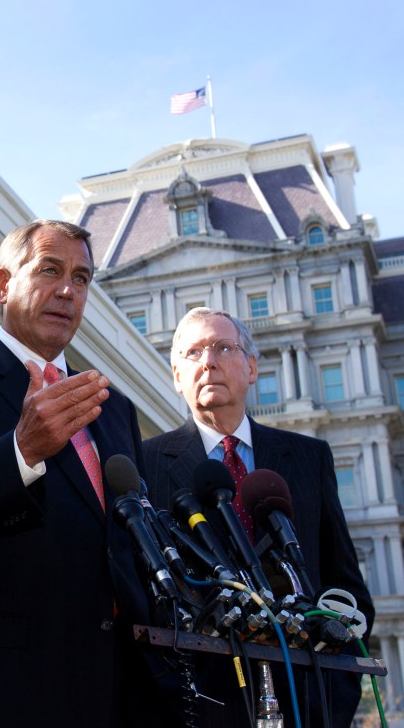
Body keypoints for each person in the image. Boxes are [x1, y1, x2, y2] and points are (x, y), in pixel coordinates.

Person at [0, 219, 167, 728]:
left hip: (111, 691)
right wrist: (20, 452)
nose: (68, 290)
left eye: (82, 278)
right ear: (3, 284)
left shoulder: (113, 409)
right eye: (49, 270)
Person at [142, 306, 375, 727]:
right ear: (177, 377)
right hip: (197, 705)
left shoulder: (308, 458)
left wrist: (333, 699)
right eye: (192, 353)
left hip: (306, 699)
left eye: (221, 347)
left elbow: (345, 586)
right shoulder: (147, 464)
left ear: (251, 367)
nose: (208, 361)